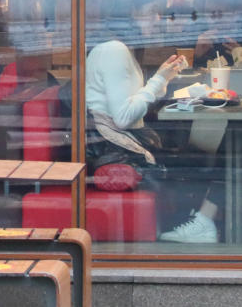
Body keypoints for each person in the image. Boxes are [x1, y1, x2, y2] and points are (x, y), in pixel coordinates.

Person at [86, 40, 222, 243]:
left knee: (210, 153)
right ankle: (196, 222)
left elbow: (129, 103)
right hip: (119, 148)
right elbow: (123, 117)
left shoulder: (118, 49)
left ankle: (198, 220)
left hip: (125, 141)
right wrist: (157, 81)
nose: (159, 17)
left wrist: (163, 78)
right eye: (152, 11)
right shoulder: (113, 50)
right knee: (215, 158)